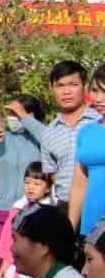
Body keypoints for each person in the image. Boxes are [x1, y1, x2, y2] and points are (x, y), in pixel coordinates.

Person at [0, 96, 45, 277]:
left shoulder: (41, 139)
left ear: (30, 115)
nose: (12, 118)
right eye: (9, 114)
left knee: (21, 271)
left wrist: (25, 119)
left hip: (29, 212)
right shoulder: (2, 139)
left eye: (15, 114)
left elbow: (51, 142)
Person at [0, 163, 57, 278]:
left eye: (37, 183)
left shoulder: (50, 212)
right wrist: (5, 264)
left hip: (37, 271)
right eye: (27, 182)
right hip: (15, 268)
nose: (30, 187)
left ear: (48, 187)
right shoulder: (18, 208)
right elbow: (7, 239)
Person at [41, 60, 100, 210]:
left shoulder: (99, 121)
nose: (66, 92)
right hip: (65, 205)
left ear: (85, 86)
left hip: (98, 204)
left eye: (73, 85)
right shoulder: (49, 132)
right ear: (51, 88)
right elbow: (52, 172)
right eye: (60, 85)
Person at [69, 63, 105, 234]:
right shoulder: (87, 132)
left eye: (104, 92)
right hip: (91, 228)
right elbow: (79, 184)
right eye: (95, 90)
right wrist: (69, 230)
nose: (98, 98)